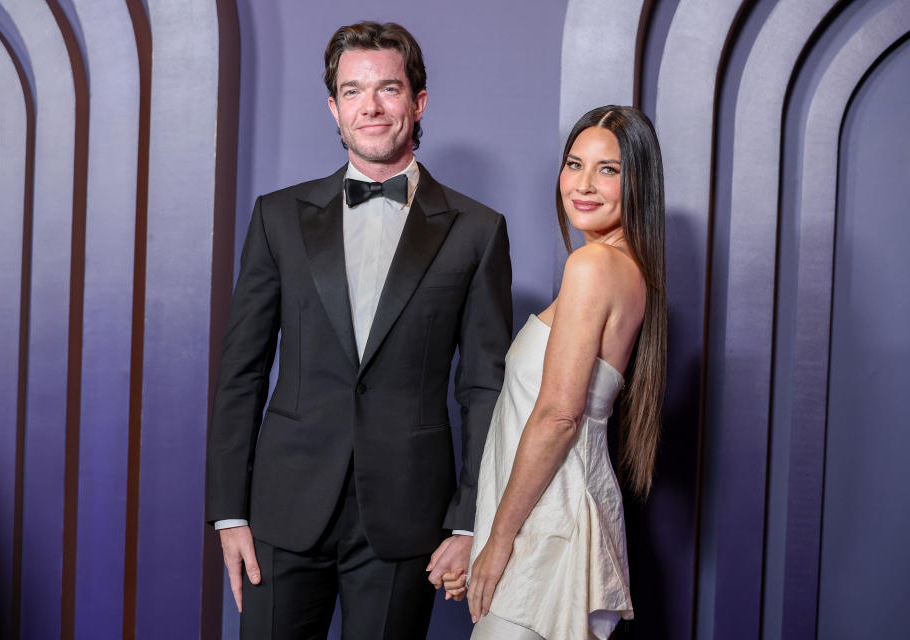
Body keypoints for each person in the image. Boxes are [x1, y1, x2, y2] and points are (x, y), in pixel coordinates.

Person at [205, 21, 513, 640]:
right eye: (352, 91)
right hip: (283, 508)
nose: (369, 106)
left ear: (417, 102)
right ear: (333, 107)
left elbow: (484, 388)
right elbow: (243, 369)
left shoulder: (477, 231)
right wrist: (228, 512)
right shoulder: (277, 217)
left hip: (407, 517)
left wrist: (468, 520)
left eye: (387, 89)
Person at [442, 106, 667, 640]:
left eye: (608, 169)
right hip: (559, 516)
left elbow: (558, 416)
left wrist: (497, 543)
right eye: (574, 164)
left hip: (547, 528)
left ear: (639, 182)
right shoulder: (630, 272)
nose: (583, 185)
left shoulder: (591, 267)